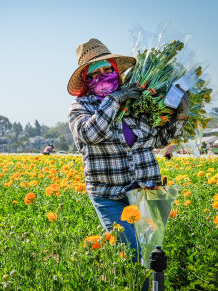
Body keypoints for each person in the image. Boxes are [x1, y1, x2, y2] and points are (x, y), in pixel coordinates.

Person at [67, 39, 189, 290]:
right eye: (95, 73)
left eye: (107, 70)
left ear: (116, 71)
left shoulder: (137, 101)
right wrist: (115, 99)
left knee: (153, 258)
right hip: (109, 195)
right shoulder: (80, 108)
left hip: (147, 189)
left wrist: (181, 117)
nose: (103, 76)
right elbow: (90, 134)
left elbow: (156, 139)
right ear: (86, 81)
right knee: (133, 256)